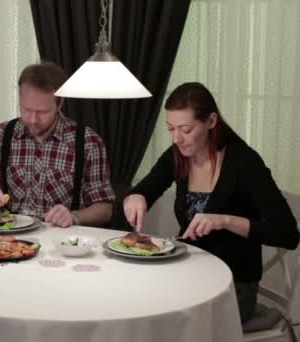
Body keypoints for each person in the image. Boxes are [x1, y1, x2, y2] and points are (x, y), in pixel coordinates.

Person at [123, 82, 299, 322]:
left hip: (233, 286)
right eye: (171, 129)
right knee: (135, 301)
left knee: (158, 317)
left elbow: (287, 234)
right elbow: (145, 189)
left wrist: (225, 220)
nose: (177, 139)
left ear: (211, 121)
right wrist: (136, 198)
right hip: (189, 273)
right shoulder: (178, 155)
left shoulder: (244, 162)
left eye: (186, 129)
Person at [0, 62, 115, 227]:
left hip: (64, 243)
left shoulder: (87, 143)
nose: (33, 120)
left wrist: (74, 216)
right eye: (26, 109)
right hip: (11, 244)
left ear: (60, 103)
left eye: (42, 112)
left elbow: (104, 210)